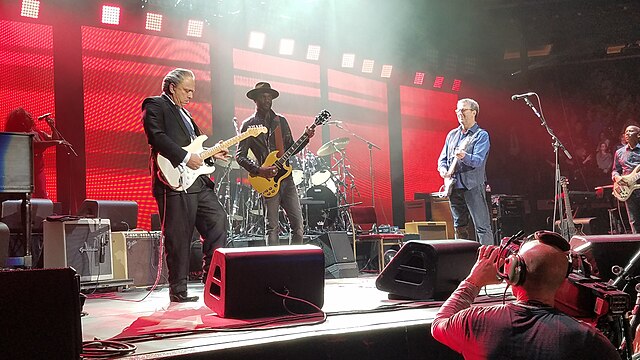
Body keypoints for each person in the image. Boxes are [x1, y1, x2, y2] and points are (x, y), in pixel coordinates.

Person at [431, 231, 621, 360]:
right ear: (563, 280)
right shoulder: (588, 340)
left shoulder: (477, 322)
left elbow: (439, 323)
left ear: (514, 272)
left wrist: (473, 281)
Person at [142, 68, 228, 302]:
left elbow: (196, 150)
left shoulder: (186, 114)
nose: (191, 95)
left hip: (197, 182)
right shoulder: (155, 105)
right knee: (179, 236)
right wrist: (184, 157)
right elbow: (156, 136)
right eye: (187, 90)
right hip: (174, 180)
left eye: (193, 91)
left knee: (217, 220)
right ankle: (178, 290)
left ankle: (212, 279)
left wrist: (211, 155)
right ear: (172, 87)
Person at [236, 82, 315, 246]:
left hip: (287, 179)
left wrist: (306, 138)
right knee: (272, 227)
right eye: (263, 97)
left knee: (298, 226)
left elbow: (292, 148)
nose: (267, 100)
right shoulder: (248, 125)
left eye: (269, 97)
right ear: (255, 100)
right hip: (267, 180)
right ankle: (274, 266)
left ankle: (296, 262)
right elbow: (240, 156)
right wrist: (259, 170)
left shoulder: (281, 121)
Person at [437, 98, 493, 245]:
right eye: (457, 110)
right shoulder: (452, 135)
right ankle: (462, 257)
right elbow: (442, 159)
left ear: (474, 112)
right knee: (459, 227)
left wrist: (464, 156)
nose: (459, 113)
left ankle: (488, 261)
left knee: (482, 227)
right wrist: (443, 170)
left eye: (463, 110)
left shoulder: (481, 135)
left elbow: (478, 161)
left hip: (472, 186)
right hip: (454, 187)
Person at [5, 107, 62, 199]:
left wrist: (52, 127)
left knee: (41, 193)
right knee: (26, 195)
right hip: (24, 171)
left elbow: (54, 139)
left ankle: (41, 212)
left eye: (30, 115)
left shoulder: (37, 132)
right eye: (27, 116)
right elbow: (36, 145)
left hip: (38, 168)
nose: (31, 117)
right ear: (21, 121)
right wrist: (56, 143)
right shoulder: (20, 134)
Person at [612, 124, 640, 234]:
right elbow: (615, 170)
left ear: (638, 135)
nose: (627, 134)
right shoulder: (619, 152)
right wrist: (617, 177)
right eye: (626, 132)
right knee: (634, 221)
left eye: (630, 131)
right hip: (628, 190)